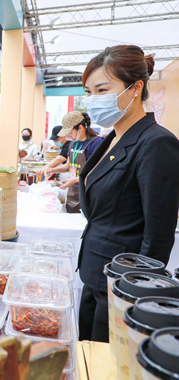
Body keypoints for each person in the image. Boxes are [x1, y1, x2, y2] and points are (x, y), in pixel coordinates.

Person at [77, 45, 179, 342]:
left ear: (136, 88)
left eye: (102, 90)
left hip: (122, 285)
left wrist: (137, 292)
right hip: (95, 274)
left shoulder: (156, 143)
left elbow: (159, 233)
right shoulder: (112, 137)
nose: (93, 100)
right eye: (89, 92)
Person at [47, 111, 103, 213]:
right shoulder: (73, 144)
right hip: (73, 192)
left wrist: (74, 180)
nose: (68, 136)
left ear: (80, 128)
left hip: (88, 194)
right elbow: (68, 165)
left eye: (70, 132)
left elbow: (97, 171)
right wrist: (52, 169)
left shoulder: (96, 143)